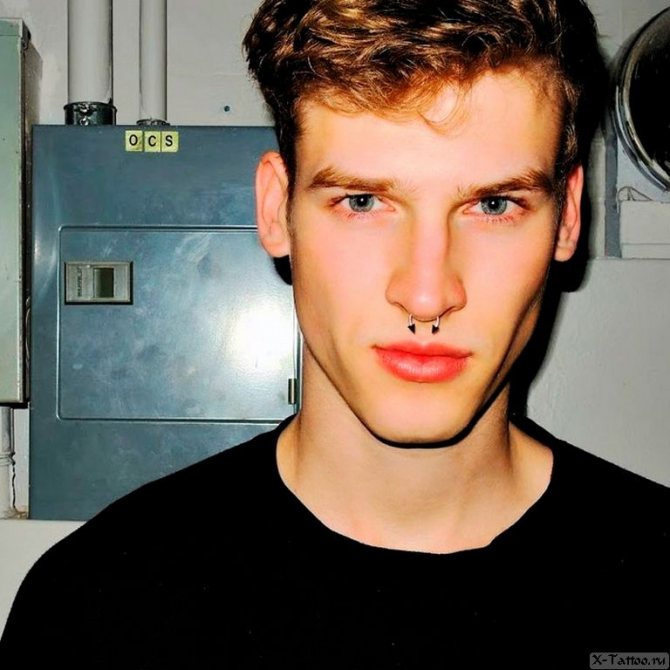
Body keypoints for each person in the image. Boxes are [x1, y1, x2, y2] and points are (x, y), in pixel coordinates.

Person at [1, 0, 668, 667]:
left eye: (493, 205)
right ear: (276, 210)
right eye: (363, 202)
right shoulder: (93, 614)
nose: (427, 293)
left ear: (567, 217)